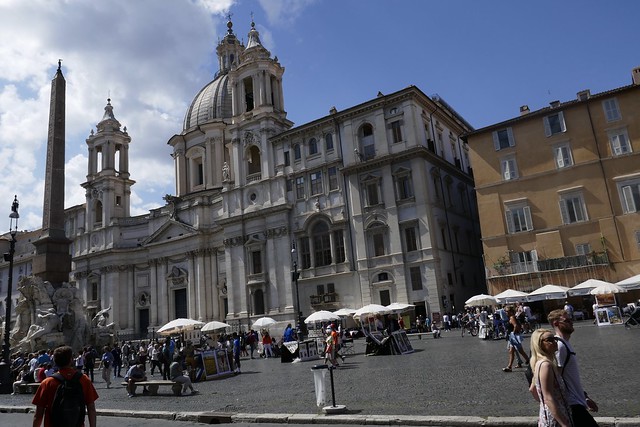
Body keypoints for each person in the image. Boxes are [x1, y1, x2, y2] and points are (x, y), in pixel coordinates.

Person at [548, 309, 599, 426]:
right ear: (556, 323)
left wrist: (584, 396)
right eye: (567, 320)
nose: (571, 322)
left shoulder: (565, 343)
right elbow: (557, 377)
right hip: (571, 404)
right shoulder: (560, 346)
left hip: (577, 401)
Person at [32, 345, 98, 427]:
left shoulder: (47, 382)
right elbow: (91, 407)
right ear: (71, 360)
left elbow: (39, 413)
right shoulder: (84, 379)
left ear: (55, 361)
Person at [529, 329, 573, 427]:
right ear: (539, 344)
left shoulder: (540, 363)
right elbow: (548, 397)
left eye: (554, 339)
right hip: (555, 419)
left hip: (549, 415)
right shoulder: (546, 365)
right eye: (550, 339)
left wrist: (543, 405)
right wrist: (564, 424)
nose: (555, 342)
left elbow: (532, 389)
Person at [502, 307, 530, 372]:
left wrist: (513, 333)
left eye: (507, 311)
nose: (506, 312)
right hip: (513, 336)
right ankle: (528, 360)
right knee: (519, 350)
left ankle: (509, 367)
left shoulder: (512, 317)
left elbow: (515, 325)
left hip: (513, 337)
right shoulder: (512, 317)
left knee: (512, 351)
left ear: (511, 311)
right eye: (505, 311)